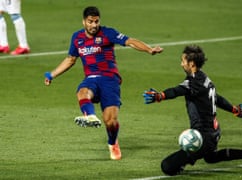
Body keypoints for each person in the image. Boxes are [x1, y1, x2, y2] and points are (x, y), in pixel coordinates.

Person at [44, 6, 163, 160]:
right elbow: (71, 59)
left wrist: (149, 49)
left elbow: (130, 41)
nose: (94, 25)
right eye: (90, 22)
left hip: (110, 79)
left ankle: (113, 143)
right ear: (84, 22)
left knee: (111, 121)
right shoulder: (77, 37)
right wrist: (51, 74)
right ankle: (91, 116)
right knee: (82, 92)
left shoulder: (108, 33)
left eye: (96, 21)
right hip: (91, 78)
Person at [143, 45, 242, 176]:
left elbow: (176, 91)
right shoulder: (206, 79)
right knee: (211, 157)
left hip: (202, 137)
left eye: (183, 61)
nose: (181, 64)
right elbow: (217, 98)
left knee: (167, 167)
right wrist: (235, 110)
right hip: (214, 133)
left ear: (191, 64)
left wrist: (159, 96)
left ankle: (182, 163)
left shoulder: (192, 82)